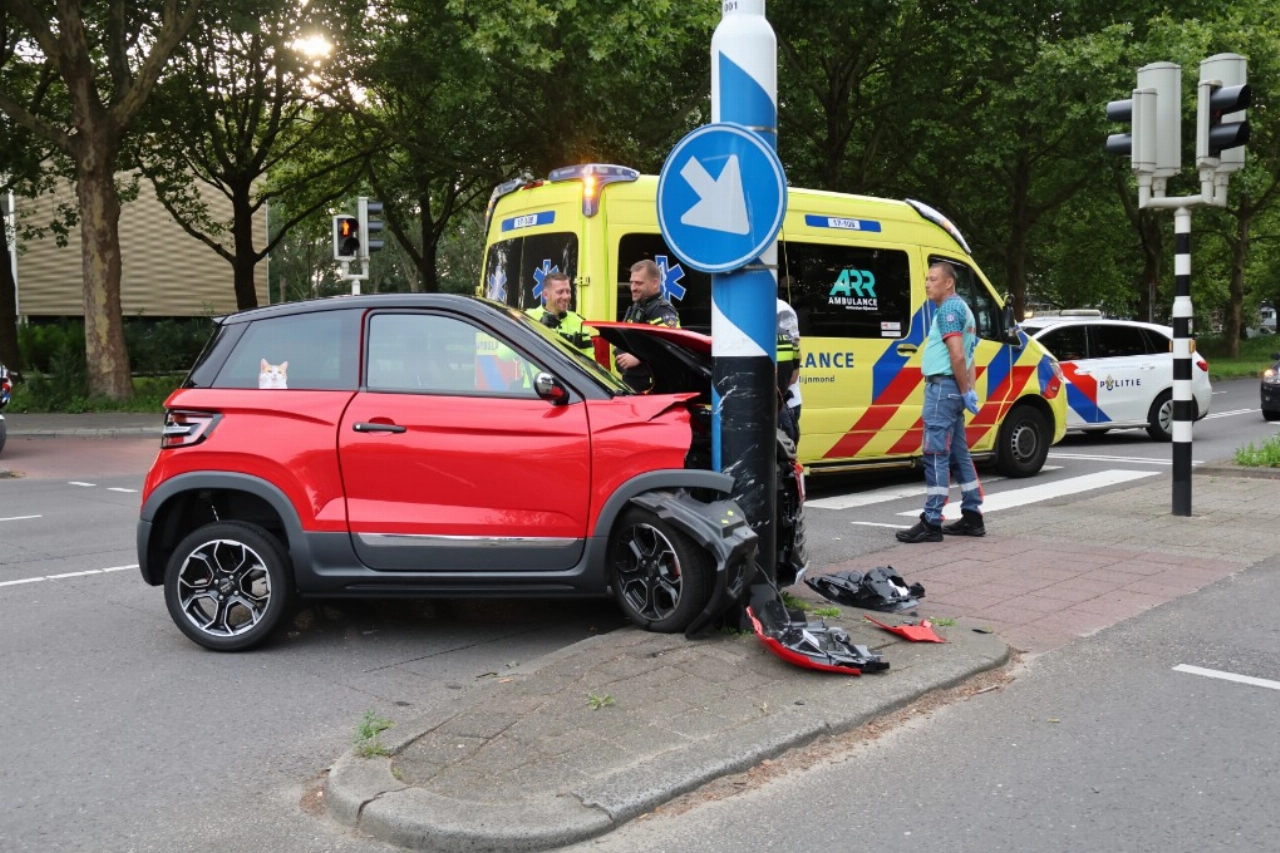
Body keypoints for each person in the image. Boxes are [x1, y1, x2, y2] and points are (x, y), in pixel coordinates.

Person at [896, 261, 985, 543]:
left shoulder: (948, 309)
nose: (927, 284)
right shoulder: (966, 310)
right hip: (954, 390)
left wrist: (960, 388)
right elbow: (970, 357)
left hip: (942, 388)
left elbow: (958, 356)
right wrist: (967, 390)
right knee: (959, 454)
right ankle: (972, 516)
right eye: (926, 279)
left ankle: (931, 521)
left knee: (935, 453)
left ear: (949, 283)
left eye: (933, 279)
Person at [615, 259, 680, 391]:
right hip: (633, 383)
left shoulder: (662, 311)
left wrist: (638, 357)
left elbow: (670, 348)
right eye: (632, 282)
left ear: (655, 283)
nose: (633, 287)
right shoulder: (637, 307)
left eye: (639, 283)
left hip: (653, 387)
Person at [526, 272, 595, 359]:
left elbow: (590, 362)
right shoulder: (528, 318)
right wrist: (538, 329)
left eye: (568, 291)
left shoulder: (579, 322)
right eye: (560, 292)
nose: (566, 296)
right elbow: (507, 354)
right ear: (546, 295)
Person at [776, 296, 802, 444]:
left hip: (783, 404)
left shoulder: (780, 309)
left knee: (782, 464)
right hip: (762, 404)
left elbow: (793, 374)